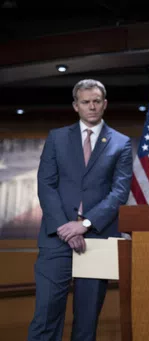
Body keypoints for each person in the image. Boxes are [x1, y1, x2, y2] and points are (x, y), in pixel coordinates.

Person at [27, 79, 133, 341]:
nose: (92, 106)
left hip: (97, 238)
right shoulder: (57, 138)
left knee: (86, 324)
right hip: (56, 237)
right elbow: (46, 185)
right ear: (76, 106)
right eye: (86, 102)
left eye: (97, 101)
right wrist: (67, 228)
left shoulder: (121, 143)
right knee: (46, 316)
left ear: (104, 103)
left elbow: (119, 192)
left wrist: (84, 224)